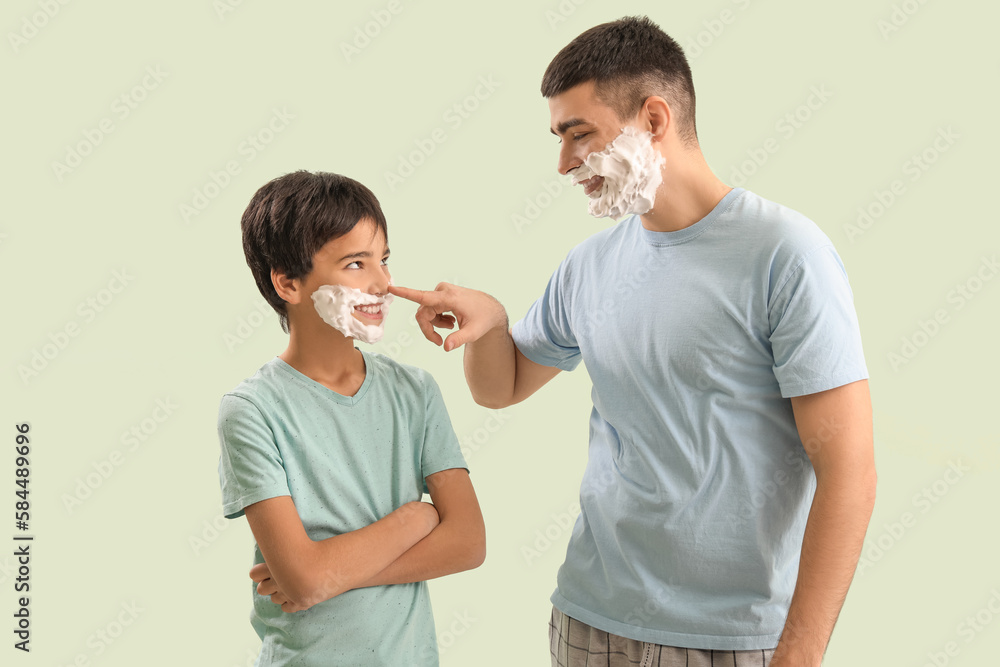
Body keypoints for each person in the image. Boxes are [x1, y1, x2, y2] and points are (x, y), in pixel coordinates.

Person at [390, 16, 875, 667]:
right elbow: (500, 386)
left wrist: (801, 652)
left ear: (653, 118)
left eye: (578, 134)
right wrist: (489, 323)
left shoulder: (785, 255)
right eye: (558, 138)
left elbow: (849, 470)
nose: (562, 163)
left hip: (734, 640)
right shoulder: (589, 266)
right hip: (589, 624)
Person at [216, 170, 485, 666]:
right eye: (356, 263)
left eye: (383, 260)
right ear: (288, 283)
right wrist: (418, 517)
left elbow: (468, 543)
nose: (383, 283)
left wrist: (325, 576)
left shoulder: (415, 391)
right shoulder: (251, 411)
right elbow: (302, 578)